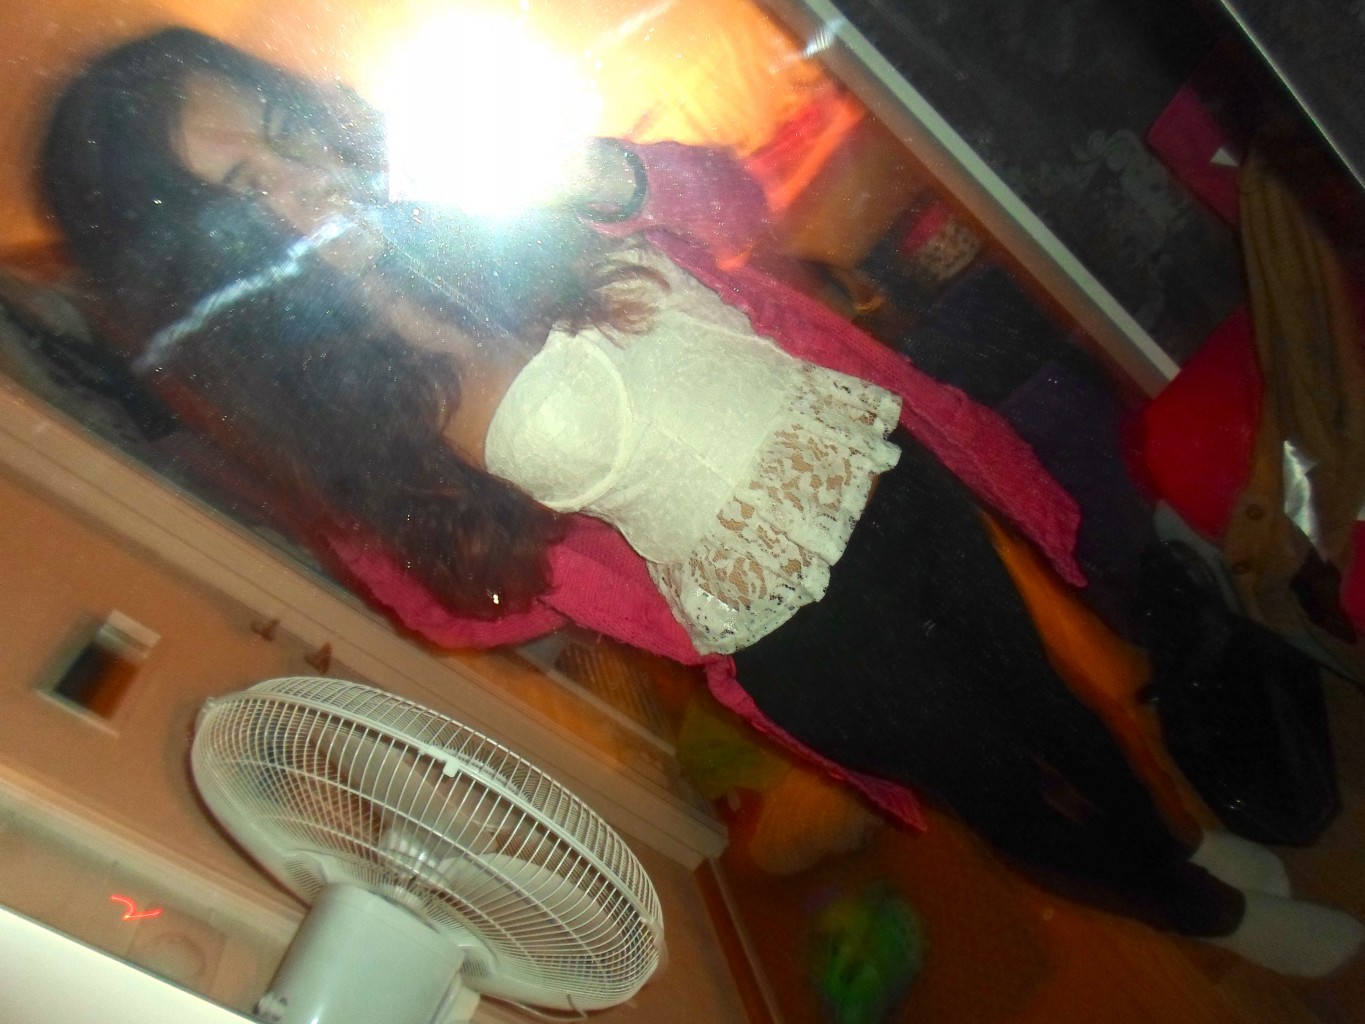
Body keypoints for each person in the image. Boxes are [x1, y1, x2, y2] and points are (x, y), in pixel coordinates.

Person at [41, 26, 1363, 977]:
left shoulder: (462, 200)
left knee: (1055, 701)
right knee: (1003, 792)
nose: (297, 180)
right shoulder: (341, 427)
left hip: (880, 473)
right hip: (801, 632)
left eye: (275, 128)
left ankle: (1173, 843)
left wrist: (603, 179)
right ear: (200, 262)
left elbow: (734, 203)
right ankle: (1199, 912)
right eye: (240, 195)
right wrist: (565, 550)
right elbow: (454, 605)